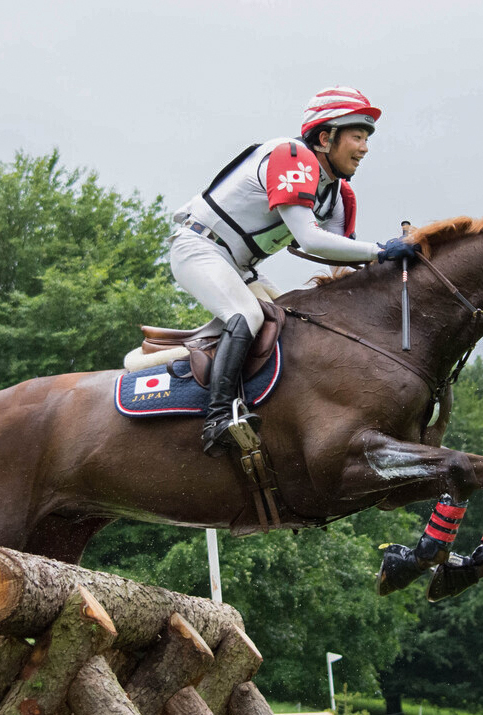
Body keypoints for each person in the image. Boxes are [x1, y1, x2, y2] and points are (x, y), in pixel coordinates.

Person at [170, 86, 419, 456]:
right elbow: (311, 239)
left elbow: (343, 258)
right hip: (199, 248)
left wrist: (395, 256)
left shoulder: (338, 193)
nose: (365, 147)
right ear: (324, 138)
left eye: (366, 137)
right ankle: (218, 419)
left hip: (240, 267)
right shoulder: (291, 155)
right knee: (247, 315)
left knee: (296, 322)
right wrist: (381, 251)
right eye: (357, 136)